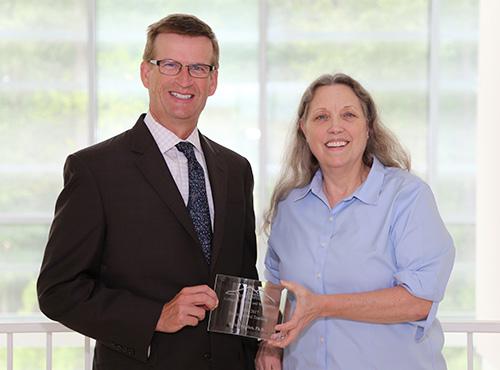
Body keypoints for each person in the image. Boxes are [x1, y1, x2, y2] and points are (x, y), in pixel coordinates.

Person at [37, 13, 258, 370]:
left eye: (198, 68)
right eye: (170, 65)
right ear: (146, 73)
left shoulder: (236, 169)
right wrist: (156, 315)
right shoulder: (96, 170)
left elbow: (243, 281)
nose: (185, 79)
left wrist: (262, 346)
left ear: (213, 80)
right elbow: (58, 292)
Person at [256, 73, 455, 370]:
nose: (335, 127)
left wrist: (323, 306)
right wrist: (270, 345)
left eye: (348, 115)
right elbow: (275, 287)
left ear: (368, 127)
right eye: (321, 117)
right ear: (304, 129)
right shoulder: (290, 208)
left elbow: (419, 301)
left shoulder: (407, 197)